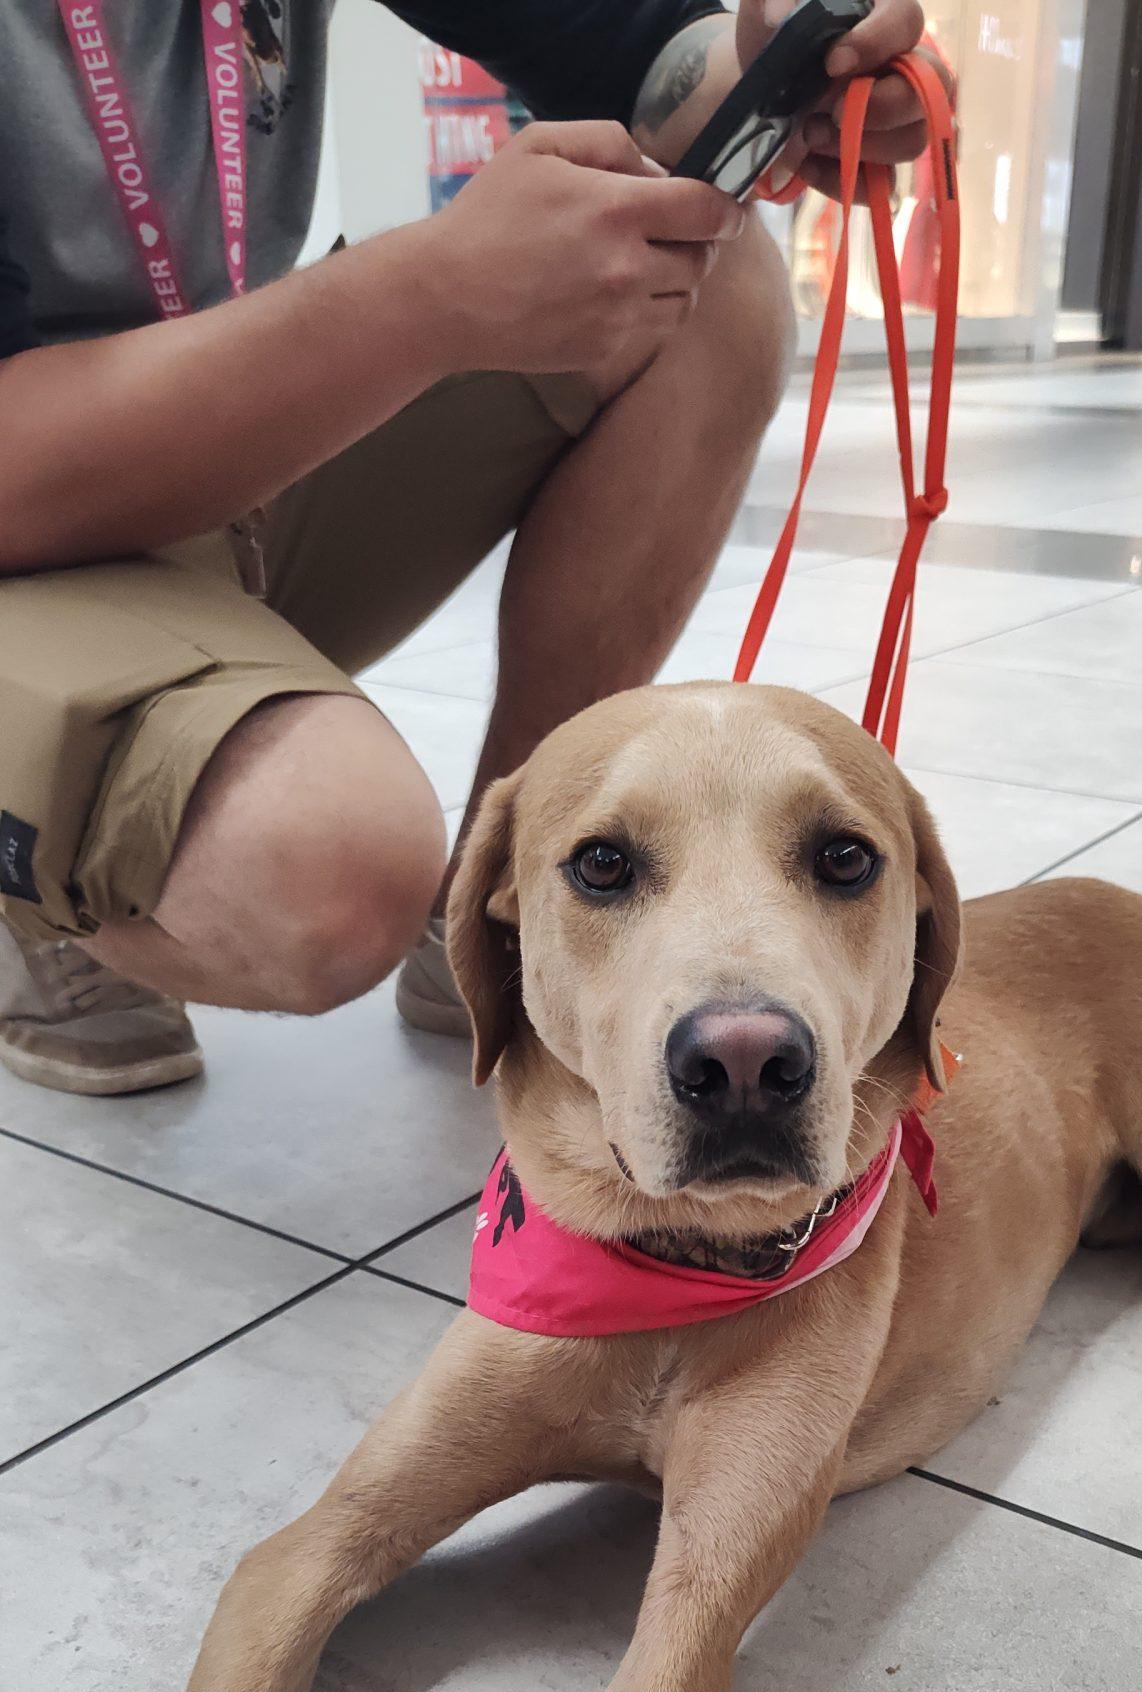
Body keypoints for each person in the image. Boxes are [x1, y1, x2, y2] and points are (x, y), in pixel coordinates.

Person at [0, 0, 944, 1094]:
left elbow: (646, 58)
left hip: (209, 458)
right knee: (323, 866)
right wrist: (427, 296)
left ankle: (512, 910)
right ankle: (41, 866)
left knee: (695, 277)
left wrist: (774, 65)